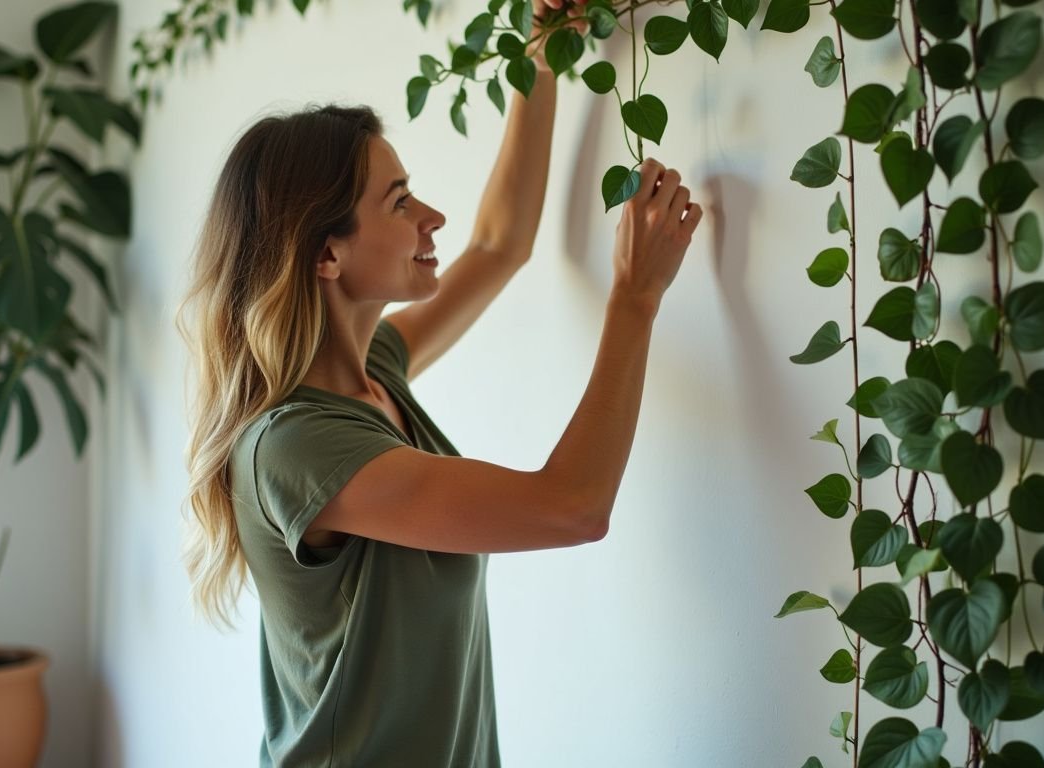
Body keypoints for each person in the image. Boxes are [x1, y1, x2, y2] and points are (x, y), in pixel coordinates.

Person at [176, 2, 702, 765]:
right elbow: (572, 508)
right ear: (327, 255)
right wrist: (636, 300)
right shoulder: (296, 445)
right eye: (399, 202)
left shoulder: (370, 375)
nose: (433, 217)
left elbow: (498, 243)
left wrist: (543, 55)